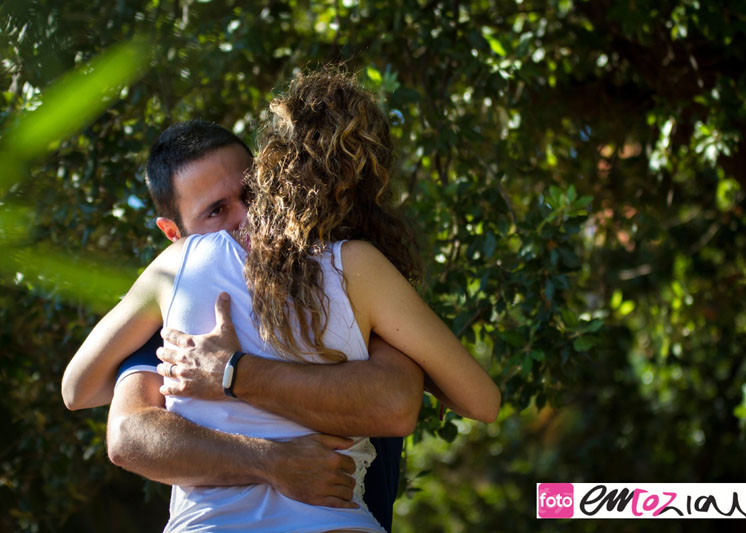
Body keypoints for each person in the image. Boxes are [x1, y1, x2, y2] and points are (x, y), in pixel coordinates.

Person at [64, 71, 500, 530]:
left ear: (271, 174)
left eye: (251, 193)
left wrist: (230, 371)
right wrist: (272, 458)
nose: (246, 217)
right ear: (173, 232)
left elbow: (79, 388)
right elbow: (105, 414)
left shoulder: (180, 272)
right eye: (217, 210)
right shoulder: (351, 269)